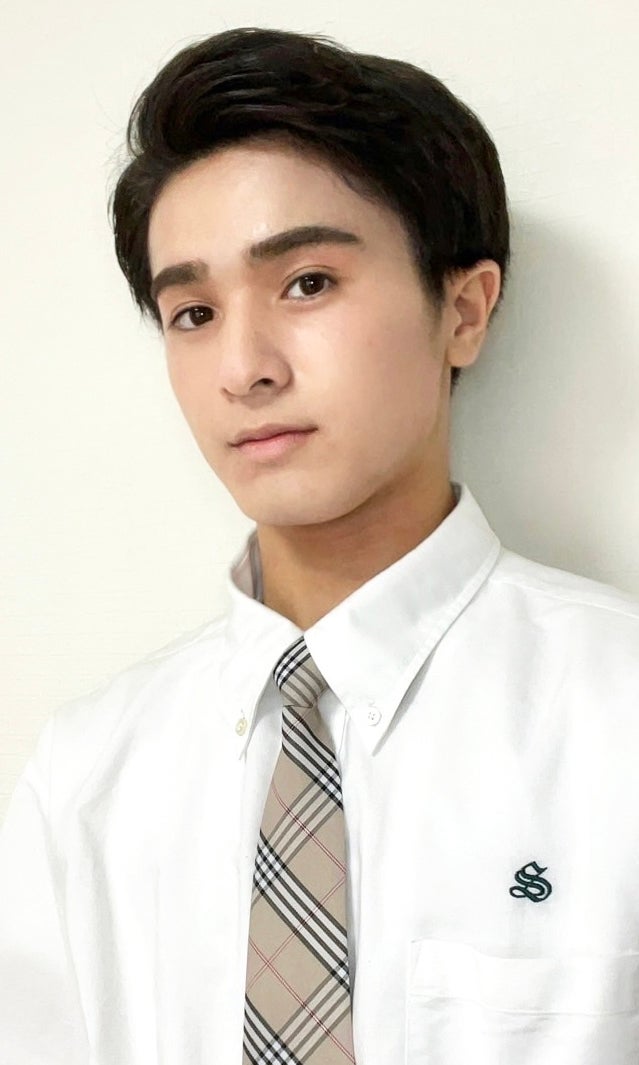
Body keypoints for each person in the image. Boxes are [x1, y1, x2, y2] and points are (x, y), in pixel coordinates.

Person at [1, 24, 638, 1065]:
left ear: (463, 310)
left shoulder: (619, 720)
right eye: (193, 311)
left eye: (306, 283)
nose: (243, 367)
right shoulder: (89, 780)